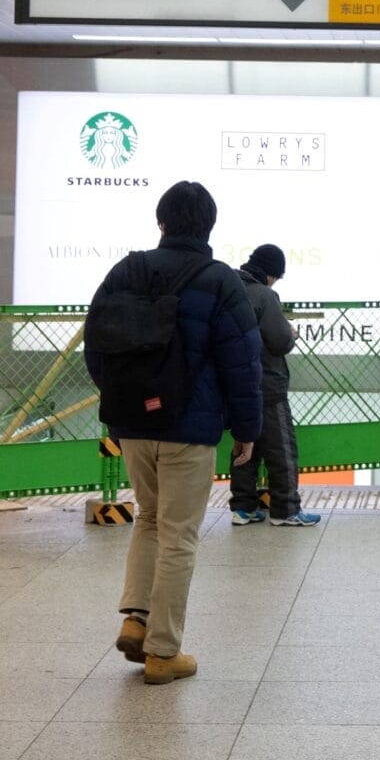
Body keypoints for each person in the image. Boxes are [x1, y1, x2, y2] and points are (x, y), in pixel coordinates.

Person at [86, 181, 260, 685]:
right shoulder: (220, 280)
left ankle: (135, 620)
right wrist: (246, 429)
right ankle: (163, 651)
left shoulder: (125, 270)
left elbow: (96, 344)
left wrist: (124, 400)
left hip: (133, 424)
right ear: (208, 225)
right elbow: (242, 361)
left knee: (149, 519)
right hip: (191, 428)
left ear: (161, 222)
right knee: (180, 536)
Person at [229, 243, 319, 528]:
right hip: (267, 384)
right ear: (270, 273)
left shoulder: (230, 287)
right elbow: (279, 341)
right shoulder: (264, 295)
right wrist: (291, 333)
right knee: (282, 449)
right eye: (277, 276)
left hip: (234, 383)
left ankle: (242, 507)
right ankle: (285, 509)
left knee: (245, 445)